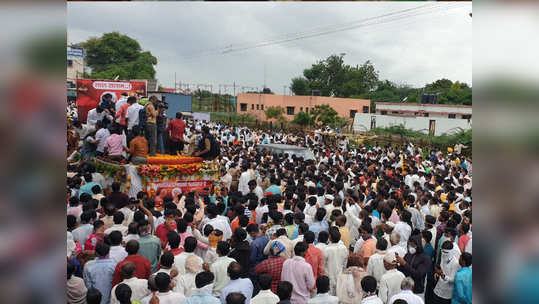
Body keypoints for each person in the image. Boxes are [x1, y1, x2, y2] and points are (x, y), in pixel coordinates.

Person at [324, 227, 349, 295]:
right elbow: (345, 263)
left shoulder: (327, 249)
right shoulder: (343, 248)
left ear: (330, 238)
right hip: (340, 275)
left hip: (329, 276)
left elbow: (323, 264)